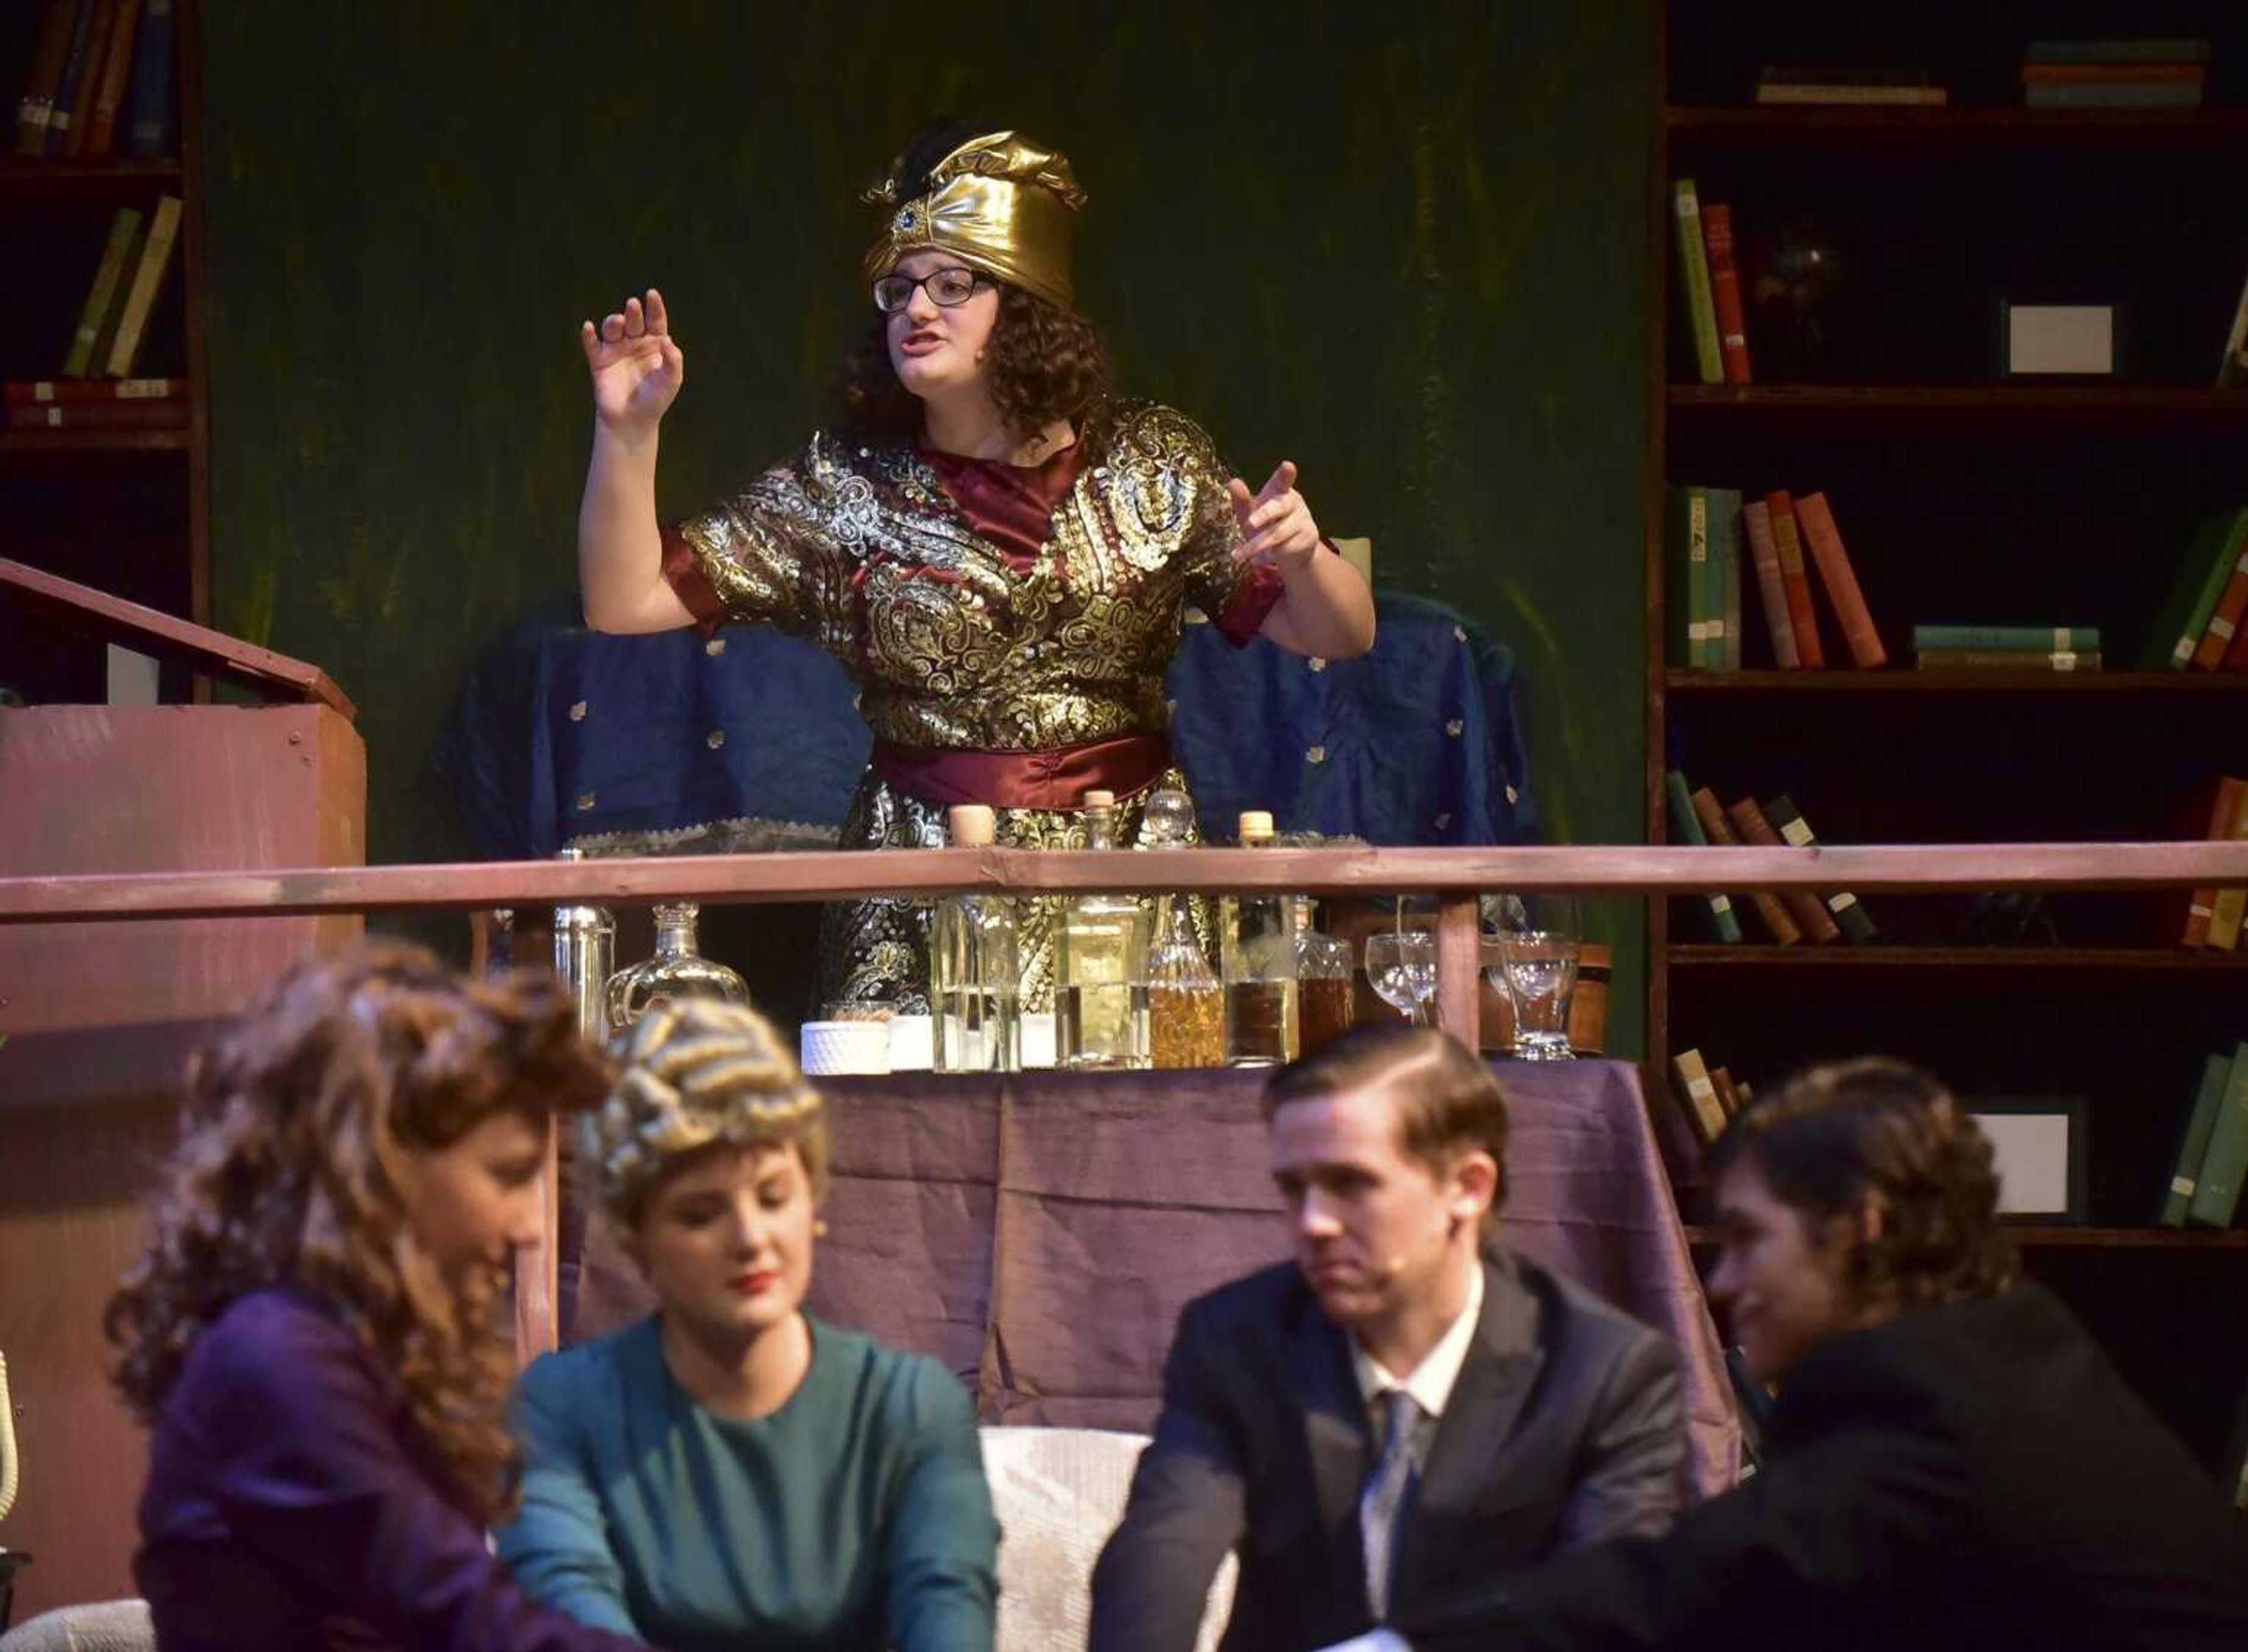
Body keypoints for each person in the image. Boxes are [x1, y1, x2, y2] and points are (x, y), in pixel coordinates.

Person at [573, 117, 1376, 1009]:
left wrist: (1305, 558)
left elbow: (1340, 634)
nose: (917, 310)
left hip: (1129, 874)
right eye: (900, 289)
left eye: (953, 285)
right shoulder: (846, 484)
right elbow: (627, 599)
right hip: (916, 886)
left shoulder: (1153, 457)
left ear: (1024, 305)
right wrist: (627, 432)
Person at [1383, 1056, 2248, 1652]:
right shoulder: (2008, 1350)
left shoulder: (1921, 1398)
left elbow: (1677, 1589)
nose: (1721, 1285)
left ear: (1861, 1229)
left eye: (1751, 1240)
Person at [104, 942, 651, 1652]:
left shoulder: (353, 1346)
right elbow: (476, 1623)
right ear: (385, 1165)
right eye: (509, 1174)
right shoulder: (277, 1360)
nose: (528, 1226)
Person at [1087, 1025, 1684, 1652]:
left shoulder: (1605, 1371)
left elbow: (1599, 1614)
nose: (1313, 1222)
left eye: (1352, 1184)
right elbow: (1163, 1552)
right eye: (1295, 1189)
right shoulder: (1236, 1339)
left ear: (1467, 1187)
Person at [497, 997, 997, 1652]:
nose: (751, 1238)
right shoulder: (562, 1409)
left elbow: (948, 1623)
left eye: (773, 1197)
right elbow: (570, 1623)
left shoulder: (910, 1408)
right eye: (701, 1213)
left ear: (813, 1200)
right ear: (637, 1238)